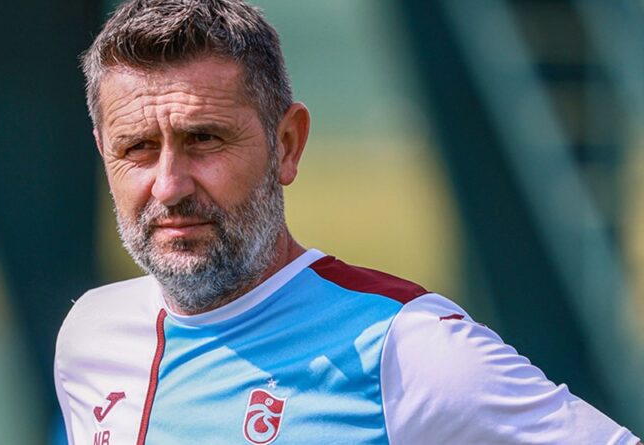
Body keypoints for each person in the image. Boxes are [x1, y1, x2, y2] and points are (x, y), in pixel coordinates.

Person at [54, 1, 642, 444]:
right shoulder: (90, 338)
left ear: (287, 144)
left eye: (204, 140)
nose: (169, 185)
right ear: (103, 152)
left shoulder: (410, 350)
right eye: (136, 148)